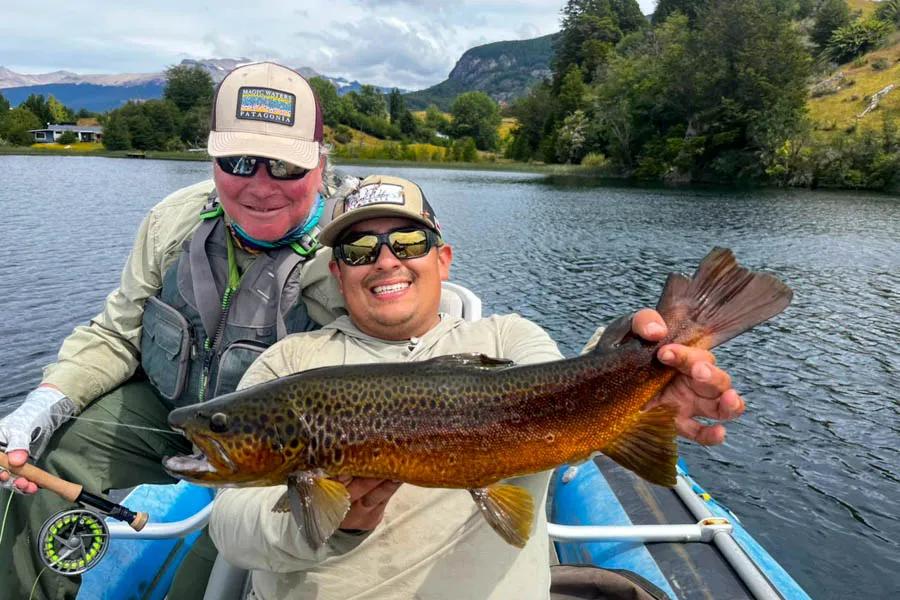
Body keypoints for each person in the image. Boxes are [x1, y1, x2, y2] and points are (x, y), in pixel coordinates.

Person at [208, 175, 745, 600]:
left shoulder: (508, 336)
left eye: (409, 240)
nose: (386, 259)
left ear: (442, 259)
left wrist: (637, 373)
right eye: (358, 248)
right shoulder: (290, 365)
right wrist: (329, 523)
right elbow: (231, 527)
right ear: (337, 272)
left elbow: (555, 389)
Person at [0, 62, 349, 600]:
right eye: (237, 161)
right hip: (172, 415)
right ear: (212, 158)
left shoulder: (357, 251)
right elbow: (117, 333)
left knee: (205, 581)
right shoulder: (173, 221)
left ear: (320, 163)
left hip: (280, 458)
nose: (259, 186)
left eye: (283, 166)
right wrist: (44, 403)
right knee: (38, 462)